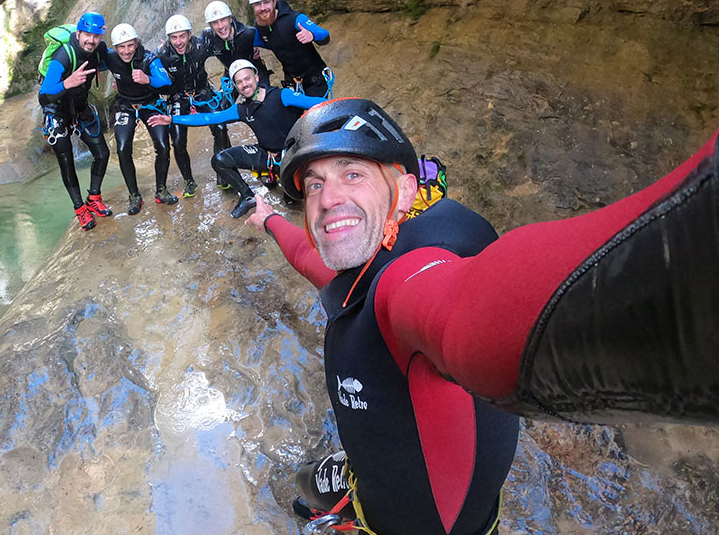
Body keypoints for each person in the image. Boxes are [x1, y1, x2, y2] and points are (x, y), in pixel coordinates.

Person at [246, 97, 719, 534]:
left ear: (406, 191)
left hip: (404, 521)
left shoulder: (404, 282)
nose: (328, 200)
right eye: (314, 184)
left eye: (352, 174)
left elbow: (463, 313)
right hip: (396, 481)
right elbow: (316, 263)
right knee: (310, 481)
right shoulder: (373, 256)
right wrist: (268, 219)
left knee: (307, 484)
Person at [147, 60, 325, 219]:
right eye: (239, 82)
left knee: (293, 199)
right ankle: (247, 196)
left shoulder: (281, 95)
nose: (244, 85)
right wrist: (172, 119)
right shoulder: (241, 109)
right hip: (268, 155)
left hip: (293, 155)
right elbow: (210, 118)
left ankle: (285, 180)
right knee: (220, 159)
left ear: (256, 77)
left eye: (247, 79)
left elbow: (316, 104)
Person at [38, 11, 113, 231]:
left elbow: (115, 59)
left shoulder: (98, 50)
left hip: (80, 108)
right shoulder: (63, 55)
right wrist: (67, 83)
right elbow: (44, 94)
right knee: (67, 161)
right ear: (78, 33)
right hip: (57, 112)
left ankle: (94, 198)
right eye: (87, 35)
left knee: (102, 153)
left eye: (96, 36)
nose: (91, 40)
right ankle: (80, 208)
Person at [154, 14, 232, 197]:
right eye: (174, 37)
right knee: (179, 141)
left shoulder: (201, 45)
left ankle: (223, 172)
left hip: (203, 91)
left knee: (220, 126)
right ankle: (189, 181)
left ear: (190, 34)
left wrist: (227, 82)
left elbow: (227, 52)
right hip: (177, 96)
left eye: (182, 36)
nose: (178, 41)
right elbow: (149, 74)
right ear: (168, 38)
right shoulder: (162, 54)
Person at [103, 23, 178, 214]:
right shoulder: (110, 58)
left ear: (136, 42)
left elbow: (166, 82)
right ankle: (134, 195)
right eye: (122, 47)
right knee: (122, 147)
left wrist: (148, 79)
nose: (127, 51)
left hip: (150, 104)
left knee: (162, 145)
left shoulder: (148, 58)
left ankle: (161, 190)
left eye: (130, 45)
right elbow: (88, 60)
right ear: (115, 47)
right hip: (125, 105)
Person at [249, 0, 332, 98]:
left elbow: (324, 36)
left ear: (274, 2)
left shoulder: (294, 19)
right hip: (292, 82)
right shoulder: (260, 27)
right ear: (253, 6)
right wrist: (253, 48)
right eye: (258, 4)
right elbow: (251, 41)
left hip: (315, 80)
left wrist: (312, 35)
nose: (262, 8)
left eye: (266, 2)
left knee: (315, 114)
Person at [200, 0, 271, 89]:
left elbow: (275, 44)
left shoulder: (248, 34)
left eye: (223, 20)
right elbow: (195, 51)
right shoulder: (208, 38)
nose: (220, 26)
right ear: (210, 26)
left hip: (255, 72)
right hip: (231, 74)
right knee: (224, 103)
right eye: (215, 22)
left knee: (264, 99)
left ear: (230, 19)